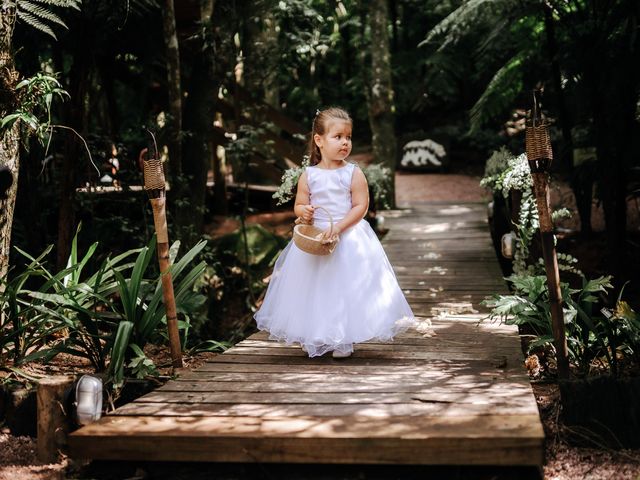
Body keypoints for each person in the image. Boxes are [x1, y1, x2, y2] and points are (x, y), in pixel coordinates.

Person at [254, 107, 415, 358]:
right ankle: (317, 334)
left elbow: (361, 206)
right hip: (317, 238)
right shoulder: (309, 175)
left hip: (348, 236)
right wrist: (304, 212)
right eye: (338, 137)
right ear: (319, 141)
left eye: (348, 137)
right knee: (316, 288)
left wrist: (338, 227)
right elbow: (299, 204)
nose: (345, 143)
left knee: (344, 287)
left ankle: (343, 339)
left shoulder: (352, 172)